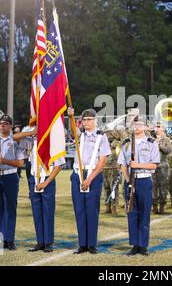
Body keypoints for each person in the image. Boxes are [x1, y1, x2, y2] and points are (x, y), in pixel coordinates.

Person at [67, 108, 111, 255]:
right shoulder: (80, 134)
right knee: (79, 210)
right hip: (78, 174)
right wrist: (71, 117)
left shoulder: (101, 136)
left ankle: (91, 244)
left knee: (91, 211)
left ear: (95, 120)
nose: (86, 122)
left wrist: (89, 178)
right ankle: (82, 244)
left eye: (89, 119)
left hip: (93, 174)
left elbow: (102, 161)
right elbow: (73, 131)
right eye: (84, 120)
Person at [14, 128, 65, 253]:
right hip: (34, 178)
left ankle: (48, 242)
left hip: (47, 179)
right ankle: (40, 242)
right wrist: (31, 133)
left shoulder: (53, 143)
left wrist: (46, 183)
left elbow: (58, 167)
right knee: (36, 212)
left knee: (47, 212)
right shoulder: (31, 141)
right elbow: (13, 137)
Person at [118, 116, 160, 256]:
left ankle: (143, 245)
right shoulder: (126, 143)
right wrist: (128, 180)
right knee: (132, 213)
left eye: (141, 124)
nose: (137, 127)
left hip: (144, 180)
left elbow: (154, 165)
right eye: (135, 124)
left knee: (144, 213)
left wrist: (138, 165)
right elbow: (123, 164)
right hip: (130, 181)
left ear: (146, 127)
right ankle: (134, 244)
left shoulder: (151, 143)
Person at [0, 115, 25, 250]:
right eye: (1, 123)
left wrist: (5, 161)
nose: (2, 125)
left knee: (10, 209)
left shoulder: (15, 142)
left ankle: (10, 240)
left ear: (11, 126)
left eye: (6, 123)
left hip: (11, 176)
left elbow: (20, 162)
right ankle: (1, 240)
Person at [152, 122, 171, 214]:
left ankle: (162, 206)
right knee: (153, 186)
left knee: (163, 186)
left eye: (159, 127)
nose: (157, 128)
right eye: (156, 126)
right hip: (153, 166)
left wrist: (160, 145)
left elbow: (168, 151)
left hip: (163, 166)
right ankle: (154, 206)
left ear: (163, 128)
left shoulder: (166, 139)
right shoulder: (152, 139)